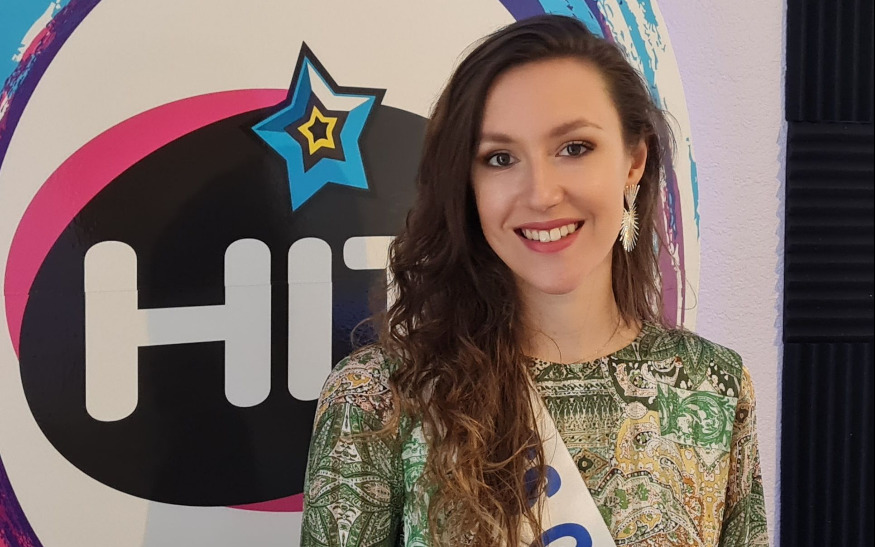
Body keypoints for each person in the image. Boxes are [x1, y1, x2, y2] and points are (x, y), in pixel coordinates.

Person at [300, 14, 769, 547]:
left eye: (575, 148)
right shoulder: (379, 398)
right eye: (500, 158)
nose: (542, 194)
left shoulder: (715, 386)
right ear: (467, 184)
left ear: (633, 162)